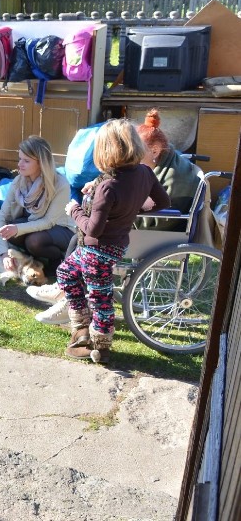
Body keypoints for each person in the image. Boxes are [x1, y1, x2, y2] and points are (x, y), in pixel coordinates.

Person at [58, 119, 170, 364]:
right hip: (117, 245)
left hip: (97, 250)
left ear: (105, 150)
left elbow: (93, 230)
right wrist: (136, 205)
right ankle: (80, 328)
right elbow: (162, 203)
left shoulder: (109, 186)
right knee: (66, 272)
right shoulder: (144, 173)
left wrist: (74, 210)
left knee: (100, 298)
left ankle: (100, 345)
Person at [0, 136, 75, 280]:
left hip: (62, 230)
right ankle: (35, 255)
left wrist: (18, 229)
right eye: (19, 159)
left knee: (34, 241)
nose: (20, 164)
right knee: (9, 230)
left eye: (26, 161)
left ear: (41, 163)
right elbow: (2, 216)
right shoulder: (19, 181)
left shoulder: (60, 184)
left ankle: (57, 259)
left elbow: (48, 222)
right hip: (37, 225)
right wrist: (4, 253)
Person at [136, 108, 200, 231]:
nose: (131, 157)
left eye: (136, 152)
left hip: (153, 234)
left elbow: (151, 223)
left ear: (155, 151)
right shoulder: (166, 160)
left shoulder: (173, 180)